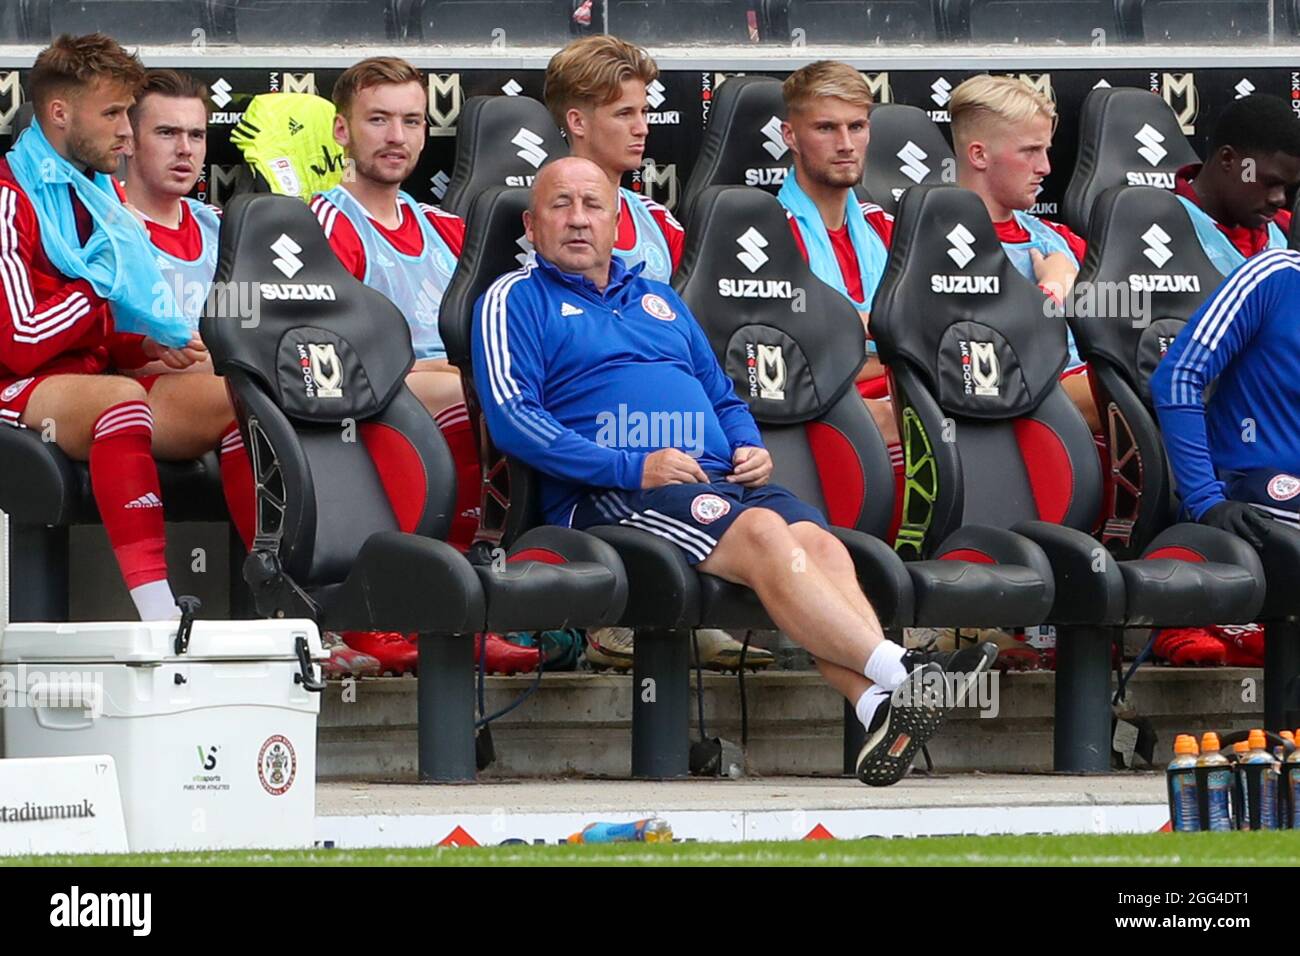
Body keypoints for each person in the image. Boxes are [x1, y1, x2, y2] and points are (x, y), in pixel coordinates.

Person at [471, 156, 998, 785]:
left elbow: (721, 394)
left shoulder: (657, 299)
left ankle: (877, 702)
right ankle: (903, 672)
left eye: (594, 206)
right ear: (532, 223)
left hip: (719, 479)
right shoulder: (514, 298)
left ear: (619, 223)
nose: (578, 220)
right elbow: (512, 418)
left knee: (815, 541)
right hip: (611, 497)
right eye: (561, 206)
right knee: (766, 536)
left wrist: (751, 445)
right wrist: (633, 465)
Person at [0, 34, 241, 621]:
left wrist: (144, 344)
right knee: (121, 400)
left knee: (245, 393)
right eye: (113, 114)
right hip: (15, 386)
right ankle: (159, 612)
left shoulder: (96, 193)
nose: (127, 135)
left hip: (85, 378)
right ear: (60, 113)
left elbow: (94, 335)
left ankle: (273, 596)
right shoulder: (9, 198)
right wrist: (96, 288)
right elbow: (21, 342)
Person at [309, 56, 534, 676]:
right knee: (469, 395)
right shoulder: (327, 219)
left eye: (411, 121)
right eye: (377, 119)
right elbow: (331, 339)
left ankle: (475, 603)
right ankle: (430, 605)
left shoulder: (443, 227)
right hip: (362, 390)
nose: (396, 136)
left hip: (444, 386)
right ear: (342, 131)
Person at [1149, 248, 1300, 666]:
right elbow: (1177, 377)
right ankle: (1189, 617)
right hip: (1243, 485)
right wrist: (1204, 499)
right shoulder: (1276, 276)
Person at [950, 74, 1096, 431]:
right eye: (1030, 151)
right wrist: (1051, 292)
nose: (1045, 167)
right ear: (979, 155)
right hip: (1009, 408)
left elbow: (1126, 312)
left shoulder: (1058, 239)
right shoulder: (932, 241)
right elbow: (976, 356)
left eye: (1045, 150)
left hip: (1080, 404)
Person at [1173, 94, 1300, 276]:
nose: (1280, 199)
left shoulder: (1288, 228)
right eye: (1270, 182)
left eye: (1287, 187)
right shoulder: (1160, 228)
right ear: (1228, 159)